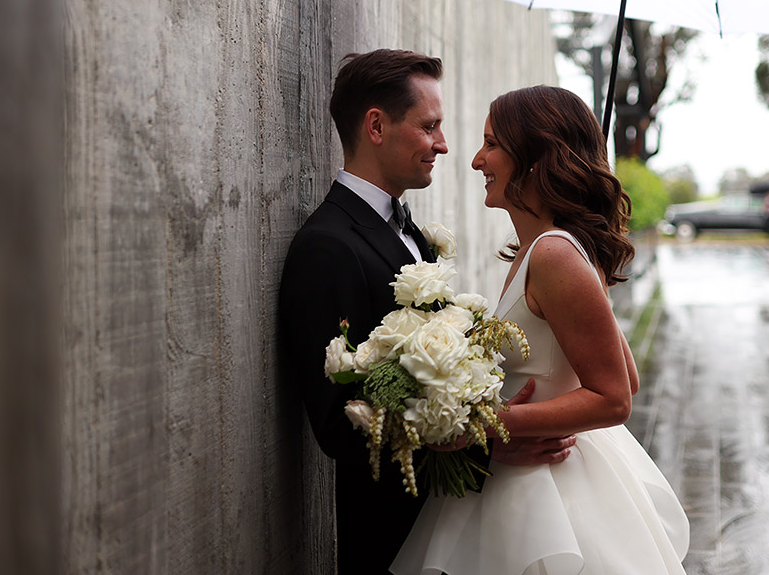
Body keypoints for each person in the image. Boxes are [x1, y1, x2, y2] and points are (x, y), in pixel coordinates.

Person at [278, 51, 572, 575]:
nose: (443, 144)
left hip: (450, 529)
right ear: (375, 126)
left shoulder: (413, 233)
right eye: (430, 126)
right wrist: (482, 446)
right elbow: (338, 426)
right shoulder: (327, 247)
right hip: (390, 535)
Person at [392, 85, 689, 575]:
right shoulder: (547, 250)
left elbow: (616, 397)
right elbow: (627, 376)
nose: (475, 160)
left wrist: (477, 426)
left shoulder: (555, 254)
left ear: (534, 156)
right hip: (526, 477)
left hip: (551, 492)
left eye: (491, 144)